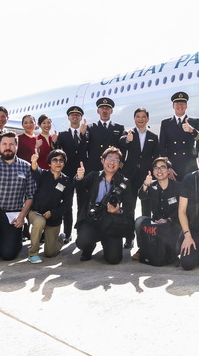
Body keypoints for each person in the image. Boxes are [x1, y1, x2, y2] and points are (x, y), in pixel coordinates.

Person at [0, 132, 35, 262]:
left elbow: (30, 196)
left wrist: (22, 216)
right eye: (4, 144)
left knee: (8, 254)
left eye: (11, 144)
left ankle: (12, 238)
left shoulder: (26, 167)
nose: (7, 147)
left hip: (13, 214)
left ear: (16, 146)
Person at [74, 147, 132, 264]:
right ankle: (89, 247)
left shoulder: (124, 182)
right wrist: (79, 178)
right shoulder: (93, 176)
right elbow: (79, 188)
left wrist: (118, 211)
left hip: (111, 223)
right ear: (102, 161)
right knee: (82, 242)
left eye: (116, 160)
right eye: (109, 158)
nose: (112, 162)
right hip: (92, 219)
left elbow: (129, 206)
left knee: (114, 259)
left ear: (119, 164)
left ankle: (108, 242)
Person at [118, 107, 159, 244]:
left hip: (146, 178)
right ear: (134, 119)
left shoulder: (153, 137)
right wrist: (127, 140)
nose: (140, 119)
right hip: (130, 176)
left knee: (146, 207)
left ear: (147, 119)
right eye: (138, 117)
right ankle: (129, 238)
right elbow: (121, 146)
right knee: (129, 207)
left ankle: (146, 236)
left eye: (143, 117)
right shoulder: (128, 134)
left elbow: (155, 157)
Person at [25, 148, 71, 263]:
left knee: (50, 253)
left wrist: (53, 213)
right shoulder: (43, 174)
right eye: (55, 160)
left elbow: (67, 204)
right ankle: (33, 254)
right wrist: (34, 162)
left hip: (53, 218)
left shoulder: (66, 180)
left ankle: (60, 238)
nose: (58, 163)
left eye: (61, 160)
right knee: (40, 222)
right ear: (49, 163)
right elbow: (35, 171)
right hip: (36, 213)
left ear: (64, 164)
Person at [134, 157, 180, 266]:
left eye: (162, 167)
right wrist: (146, 183)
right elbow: (141, 196)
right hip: (156, 224)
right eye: (156, 168)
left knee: (171, 251)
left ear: (169, 170)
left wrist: (168, 219)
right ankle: (143, 248)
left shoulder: (178, 186)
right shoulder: (151, 185)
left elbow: (181, 209)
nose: (159, 171)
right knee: (139, 221)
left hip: (172, 224)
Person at [54, 105, 87, 244]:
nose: (75, 117)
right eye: (72, 115)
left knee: (82, 203)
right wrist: (54, 142)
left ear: (81, 118)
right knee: (67, 204)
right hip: (67, 174)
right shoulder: (62, 135)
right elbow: (56, 153)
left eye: (77, 115)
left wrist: (83, 135)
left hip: (82, 174)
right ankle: (67, 233)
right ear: (68, 118)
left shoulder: (87, 132)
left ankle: (81, 232)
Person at [158, 91, 199, 179]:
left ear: (186, 106)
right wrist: (167, 167)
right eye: (177, 104)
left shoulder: (194, 121)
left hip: (189, 165)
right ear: (173, 106)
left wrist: (192, 130)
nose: (180, 106)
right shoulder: (166, 123)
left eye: (182, 104)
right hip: (173, 166)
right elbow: (162, 146)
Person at [85, 97, 125, 173]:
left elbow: (123, 148)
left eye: (107, 108)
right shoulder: (90, 128)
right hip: (95, 167)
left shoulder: (119, 128)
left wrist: (120, 164)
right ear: (98, 111)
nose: (104, 111)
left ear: (111, 111)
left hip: (112, 166)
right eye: (102, 108)